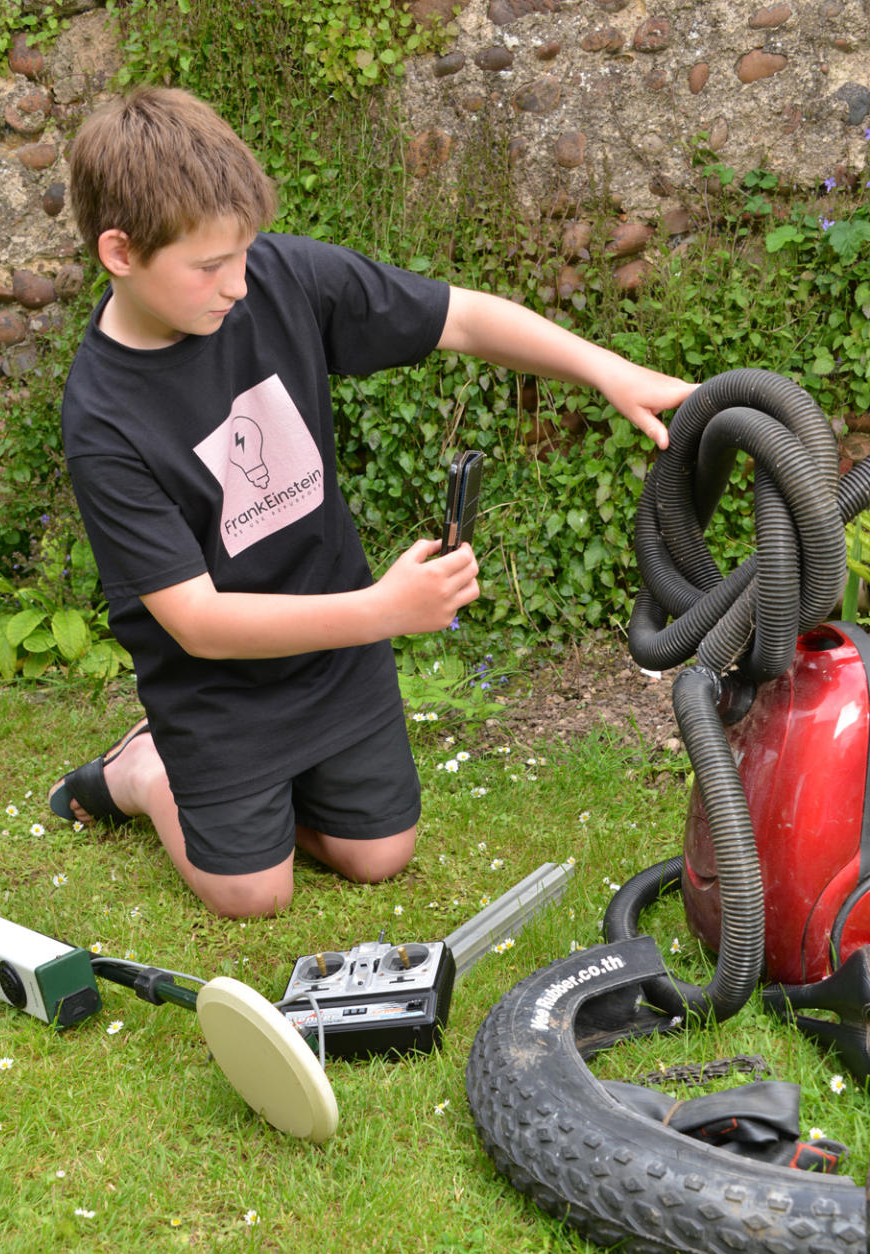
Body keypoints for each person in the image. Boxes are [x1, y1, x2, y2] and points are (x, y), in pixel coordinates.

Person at [50, 86, 695, 919]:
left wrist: (603, 368)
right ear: (119, 252)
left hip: (332, 652)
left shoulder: (280, 278)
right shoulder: (102, 416)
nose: (240, 285)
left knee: (381, 855)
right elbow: (198, 622)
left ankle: (263, 799)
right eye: (209, 266)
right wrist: (387, 610)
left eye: (243, 253)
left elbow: (458, 318)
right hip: (217, 686)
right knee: (252, 895)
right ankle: (146, 771)